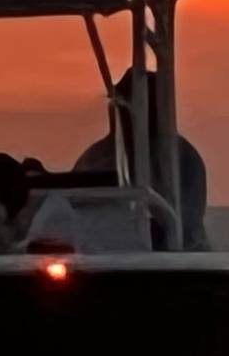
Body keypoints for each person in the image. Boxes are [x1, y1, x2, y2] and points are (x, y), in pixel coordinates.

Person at [73, 70, 209, 249]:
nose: (119, 112)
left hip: (178, 258)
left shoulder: (182, 158)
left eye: (126, 105)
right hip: (109, 255)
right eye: (117, 105)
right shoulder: (95, 158)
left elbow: (185, 221)